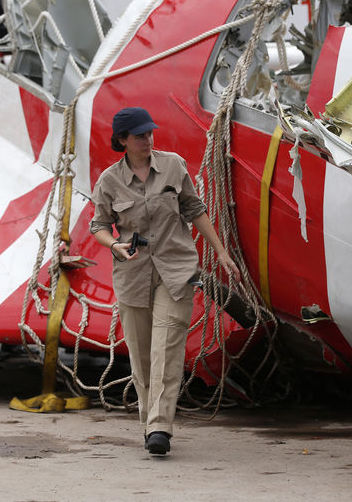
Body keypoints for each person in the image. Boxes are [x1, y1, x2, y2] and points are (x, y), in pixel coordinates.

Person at [89, 107, 240, 455]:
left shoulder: (173, 165)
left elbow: (194, 208)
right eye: (140, 135)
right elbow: (98, 225)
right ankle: (149, 423)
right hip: (133, 275)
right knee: (142, 357)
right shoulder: (109, 181)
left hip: (176, 270)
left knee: (167, 349)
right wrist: (115, 245)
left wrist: (219, 252)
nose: (148, 139)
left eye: (150, 133)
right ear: (123, 140)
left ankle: (160, 427)